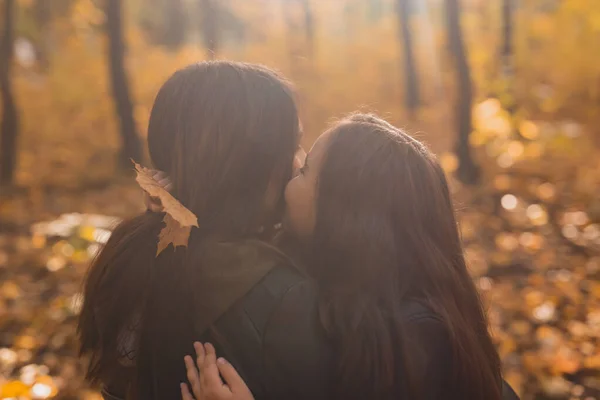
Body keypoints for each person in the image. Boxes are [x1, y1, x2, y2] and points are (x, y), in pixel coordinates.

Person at [176, 114, 521, 400]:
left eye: (306, 169)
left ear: (343, 212)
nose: (292, 168)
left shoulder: (417, 341)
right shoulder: (362, 298)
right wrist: (179, 204)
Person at [77, 61, 333, 400]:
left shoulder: (126, 254)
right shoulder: (283, 294)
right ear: (251, 163)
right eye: (293, 146)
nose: (299, 161)